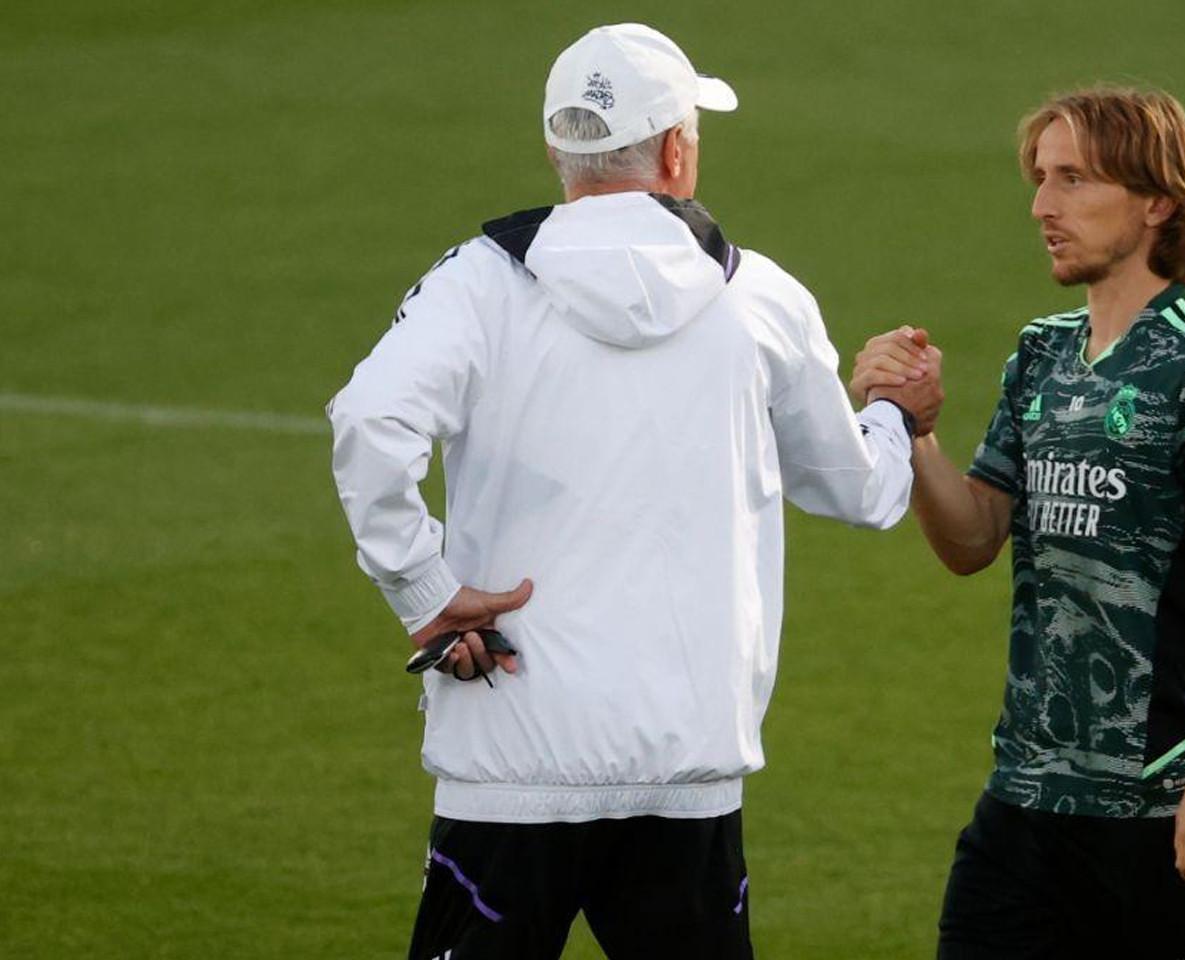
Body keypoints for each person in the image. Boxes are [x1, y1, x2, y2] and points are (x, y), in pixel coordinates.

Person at [327, 23, 941, 960]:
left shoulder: (479, 286)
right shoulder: (762, 298)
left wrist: (425, 591)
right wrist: (896, 413)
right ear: (676, 149)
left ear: (557, 147)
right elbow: (858, 492)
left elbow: (371, 425)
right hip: (685, 771)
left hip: (508, 758)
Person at [853, 88, 1185, 958]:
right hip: (1025, 806)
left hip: (1163, 809)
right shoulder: (1042, 352)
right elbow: (974, 538)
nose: (1042, 205)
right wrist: (913, 435)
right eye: (1039, 178)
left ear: (1157, 201)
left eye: (1073, 180)